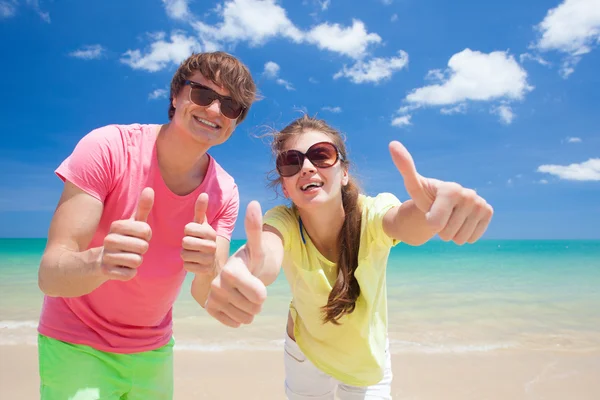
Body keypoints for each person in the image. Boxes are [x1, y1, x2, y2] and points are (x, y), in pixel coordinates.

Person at [205, 115, 494, 399]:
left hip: (366, 358)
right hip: (305, 354)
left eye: (321, 155)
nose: (306, 167)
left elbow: (405, 225)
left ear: (344, 173)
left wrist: (429, 212)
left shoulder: (371, 213)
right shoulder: (284, 221)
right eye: (291, 162)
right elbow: (266, 252)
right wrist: (248, 267)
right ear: (285, 185)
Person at [36, 51, 257, 399]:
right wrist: (100, 260)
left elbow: (204, 292)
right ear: (175, 96)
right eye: (202, 94)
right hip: (75, 341)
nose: (215, 111)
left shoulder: (225, 191)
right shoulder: (108, 148)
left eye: (231, 107)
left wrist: (217, 278)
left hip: (153, 349)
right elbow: (50, 275)